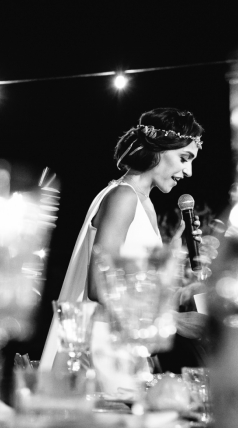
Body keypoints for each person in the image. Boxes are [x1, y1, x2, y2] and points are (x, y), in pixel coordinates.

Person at [40, 108, 205, 371]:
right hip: (98, 353)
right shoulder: (123, 197)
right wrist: (173, 320)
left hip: (125, 352)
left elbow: (141, 290)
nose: (189, 172)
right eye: (184, 158)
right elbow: (98, 285)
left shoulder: (144, 204)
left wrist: (177, 250)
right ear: (159, 149)